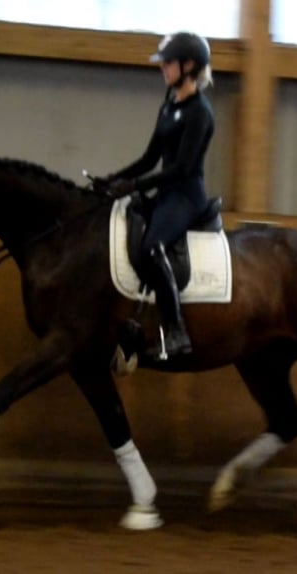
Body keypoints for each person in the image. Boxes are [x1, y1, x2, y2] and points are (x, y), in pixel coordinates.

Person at [96, 32, 215, 359]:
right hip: (164, 193)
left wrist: (135, 186)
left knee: (152, 246)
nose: (162, 68)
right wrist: (113, 179)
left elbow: (182, 168)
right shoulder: (170, 104)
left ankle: (176, 331)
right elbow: (150, 158)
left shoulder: (200, 112)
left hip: (186, 196)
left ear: (189, 65)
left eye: (168, 62)